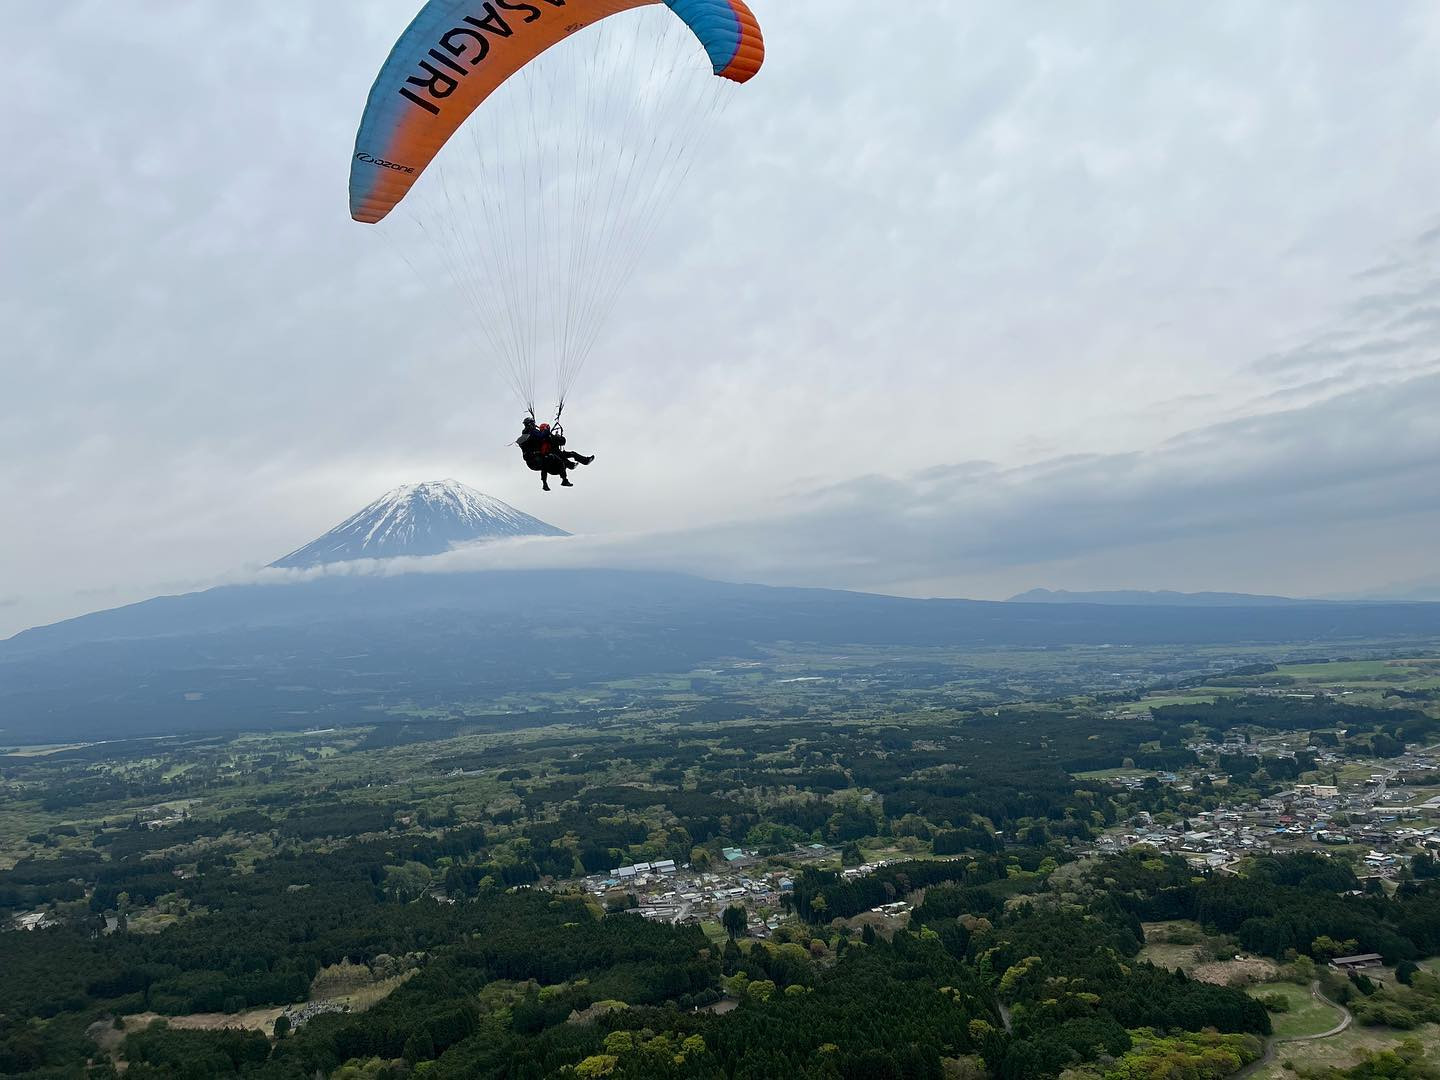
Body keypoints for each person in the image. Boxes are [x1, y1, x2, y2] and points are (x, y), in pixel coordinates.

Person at [517, 418, 594, 491]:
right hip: (551, 458)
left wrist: (558, 437)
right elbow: (540, 438)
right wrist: (546, 432)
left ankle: (585, 461)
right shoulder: (538, 436)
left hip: (555, 455)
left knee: (572, 453)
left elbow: (562, 442)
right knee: (555, 459)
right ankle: (568, 468)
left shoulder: (547, 436)